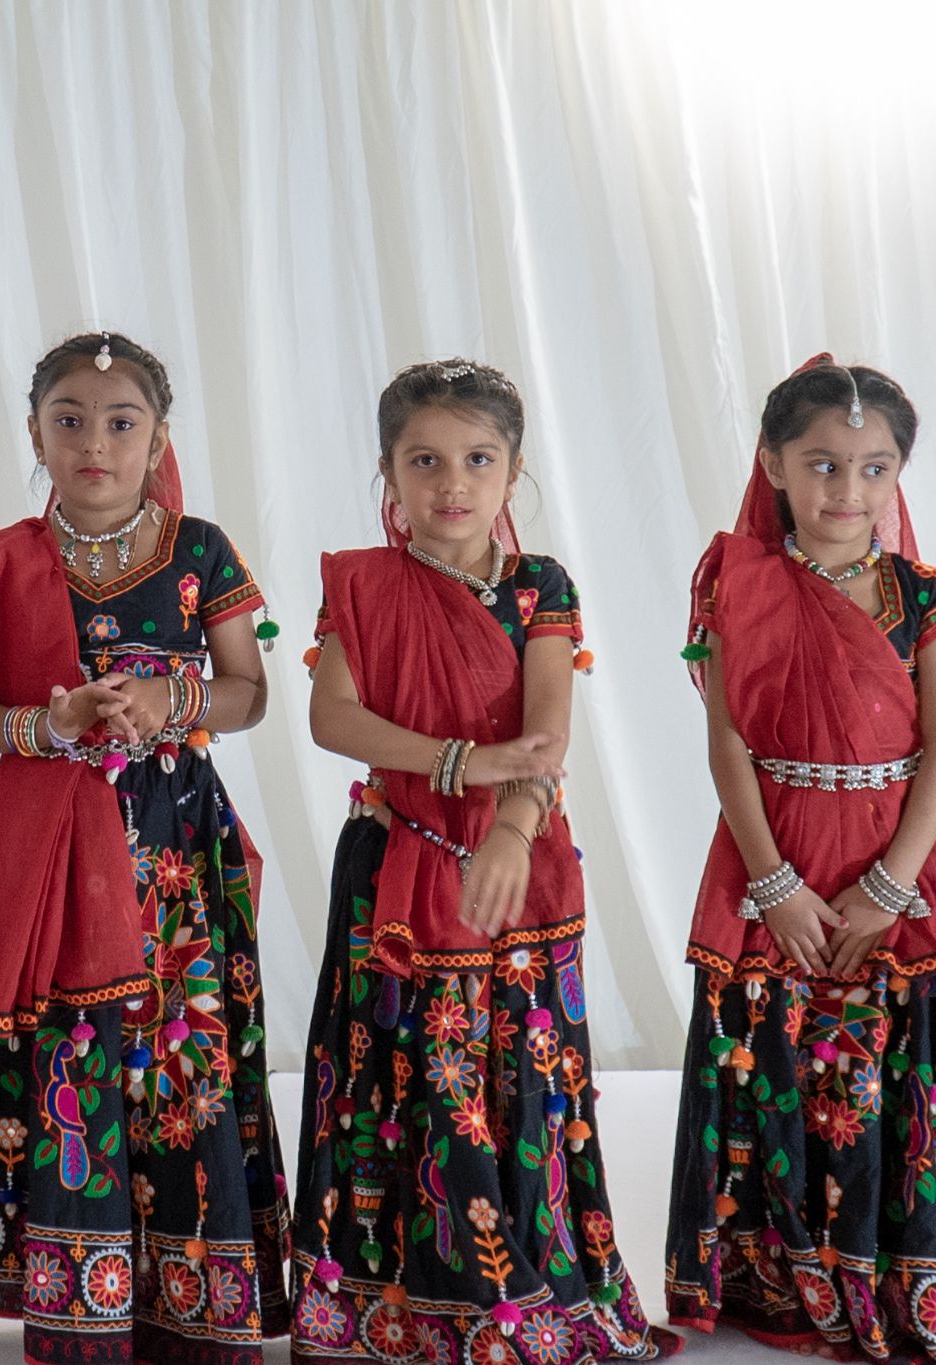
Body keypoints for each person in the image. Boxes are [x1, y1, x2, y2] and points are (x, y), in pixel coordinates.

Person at [297, 359, 674, 1365]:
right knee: (399, 1068)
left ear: (514, 473)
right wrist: (460, 762)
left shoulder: (539, 588)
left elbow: (544, 735)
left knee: (512, 1074)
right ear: (388, 472)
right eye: (423, 460)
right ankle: (390, 1302)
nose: (449, 483)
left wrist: (507, 825)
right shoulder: (361, 585)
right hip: (394, 860)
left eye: (476, 458)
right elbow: (333, 717)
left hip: (518, 866)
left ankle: (520, 1295)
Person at [0, 331, 288, 1365]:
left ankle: (190, 1292)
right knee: (72, 1046)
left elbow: (250, 694)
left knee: (178, 1049)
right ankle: (77, 1290)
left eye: (121, 422)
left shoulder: (198, 550)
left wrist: (165, 703)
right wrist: (54, 722)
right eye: (69, 421)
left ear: (158, 436)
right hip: (50, 849)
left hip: (170, 844)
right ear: (35, 434)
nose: (95, 442)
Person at [664, 356, 936, 1359]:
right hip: (772, 855)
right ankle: (773, 1275)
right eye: (822, 465)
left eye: (873, 469)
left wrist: (886, 887)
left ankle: (890, 1271)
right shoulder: (733, 581)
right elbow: (723, 744)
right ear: (772, 464)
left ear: (897, 476)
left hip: (893, 866)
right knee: (771, 1063)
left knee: (884, 1074)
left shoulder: (925, 596)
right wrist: (775, 885)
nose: (848, 492)